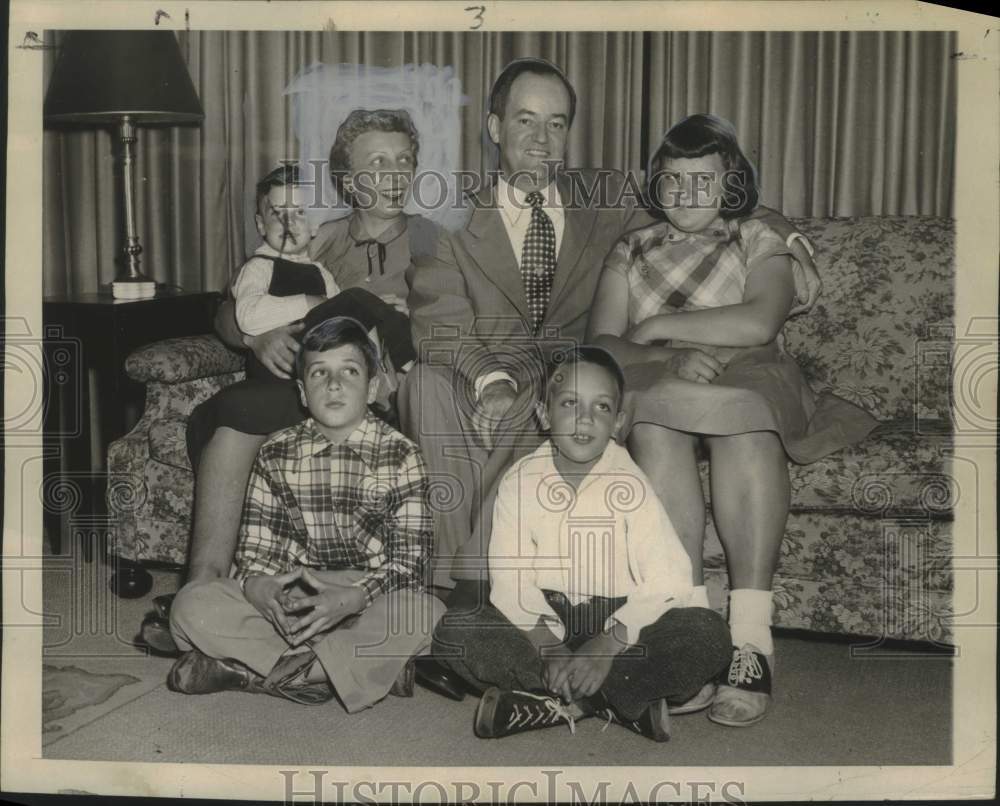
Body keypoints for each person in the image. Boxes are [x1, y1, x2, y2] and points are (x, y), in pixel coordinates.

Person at [401, 58, 821, 617]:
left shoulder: (606, 199)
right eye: (525, 121)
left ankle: (474, 603)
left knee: (564, 397)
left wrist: (794, 242)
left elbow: (707, 199)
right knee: (424, 386)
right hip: (485, 361)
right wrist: (489, 377)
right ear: (496, 128)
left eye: (556, 123)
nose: (541, 138)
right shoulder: (448, 215)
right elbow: (440, 316)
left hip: (573, 365)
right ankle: (455, 589)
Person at [587, 114, 880, 728]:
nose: (685, 195)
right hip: (664, 379)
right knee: (653, 428)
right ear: (655, 186)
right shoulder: (633, 247)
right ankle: (691, 635)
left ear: (730, 186)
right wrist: (662, 355)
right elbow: (603, 346)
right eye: (671, 181)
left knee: (746, 426)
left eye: (702, 180)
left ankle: (750, 639)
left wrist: (657, 327)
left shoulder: (756, 235)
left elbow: (757, 322)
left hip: (752, 372)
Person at [433, 346, 732, 741]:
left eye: (602, 407)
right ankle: (619, 701)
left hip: (620, 625)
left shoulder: (631, 485)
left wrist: (607, 645)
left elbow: (668, 580)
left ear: (619, 422)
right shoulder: (520, 481)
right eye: (570, 402)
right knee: (455, 629)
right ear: (543, 413)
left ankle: (550, 702)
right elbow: (511, 582)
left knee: (707, 633)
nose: (585, 418)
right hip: (545, 619)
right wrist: (547, 648)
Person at [167, 317, 444, 711]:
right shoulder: (277, 452)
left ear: (374, 388)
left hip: (366, 599)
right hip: (295, 604)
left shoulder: (402, 456)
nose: (334, 385)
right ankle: (347, 670)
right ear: (302, 391)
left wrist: (351, 597)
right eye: (319, 373)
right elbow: (258, 556)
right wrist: (257, 587)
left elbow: (410, 565)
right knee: (190, 606)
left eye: (349, 371)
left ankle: (250, 673)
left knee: (426, 614)